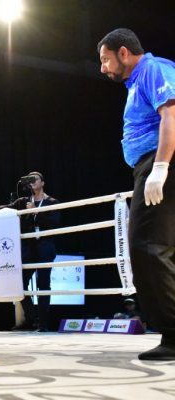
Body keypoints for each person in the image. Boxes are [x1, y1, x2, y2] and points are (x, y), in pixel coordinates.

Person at [97, 28, 175, 360]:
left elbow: (171, 115)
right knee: (158, 246)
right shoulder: (137, 82)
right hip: (152, 162)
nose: (103, 67)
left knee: (148, 246)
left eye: (105, 59)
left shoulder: (153, 69)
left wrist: (161, 167)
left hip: (161, 160)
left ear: (124, 53)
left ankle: (173, 335)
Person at [0, 172, 60, 332]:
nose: (32, 182)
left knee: (43, 285)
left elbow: (54, 223)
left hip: (45, 247)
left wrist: (36, 212)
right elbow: (8, 207)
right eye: (29, 180)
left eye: (34, 179)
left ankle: (43, 324)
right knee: (20, 284)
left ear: (42, 183)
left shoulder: (52, 202)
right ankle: (32, 320)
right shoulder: (24, 201)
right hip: (29, 249)